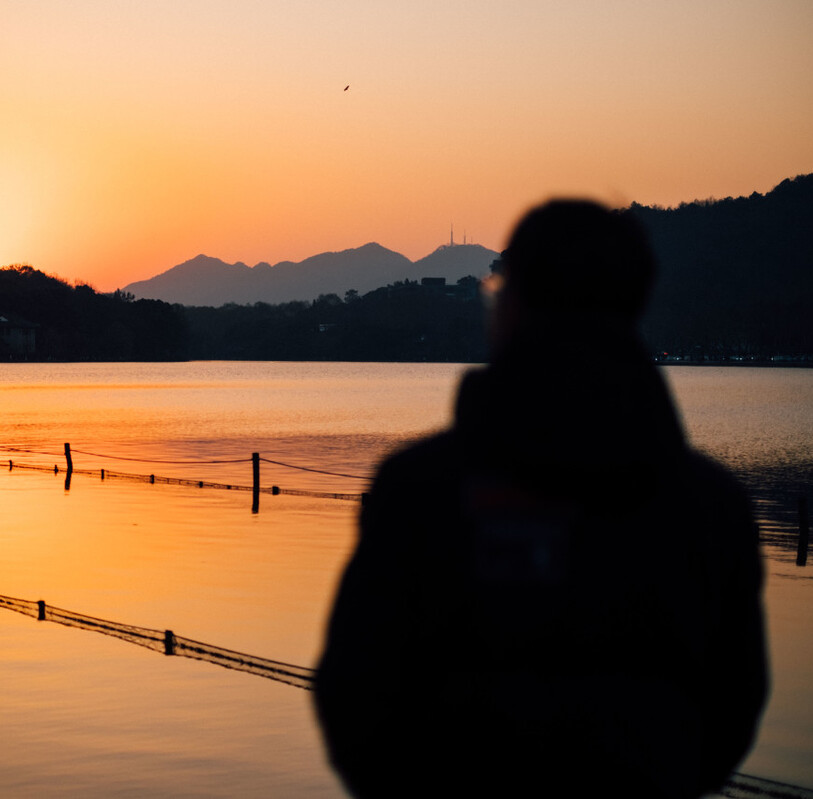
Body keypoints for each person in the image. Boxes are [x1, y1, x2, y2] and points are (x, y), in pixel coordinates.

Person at [314, 200, 768, 798]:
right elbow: (734, 705)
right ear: (634, 305)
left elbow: (355, 692)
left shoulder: (423, 488)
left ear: (514, 303)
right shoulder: (711, 506)